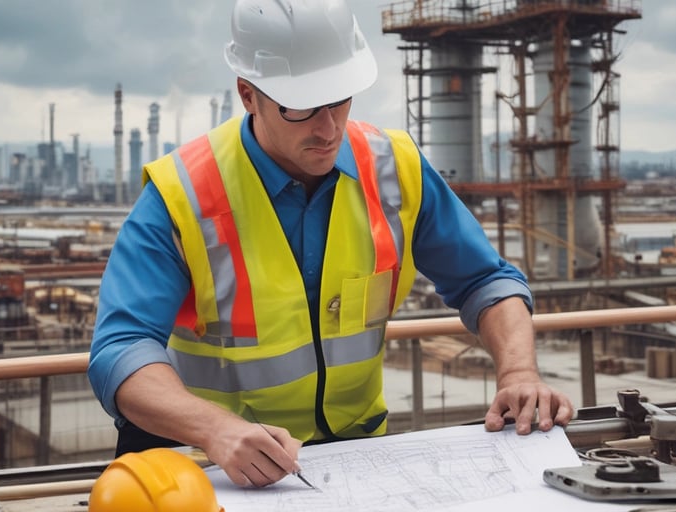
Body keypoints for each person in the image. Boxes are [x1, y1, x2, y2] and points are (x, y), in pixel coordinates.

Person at [88, 0, 574, 489]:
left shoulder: (394, 169)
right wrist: (214, 428)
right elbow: (121, 349)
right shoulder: (182, 195)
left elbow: (486, 280)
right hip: (206, 469)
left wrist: (518, 373)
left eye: (339, 99)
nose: (327, 129)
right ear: (247, 94)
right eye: (300, 106)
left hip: (353, 459)